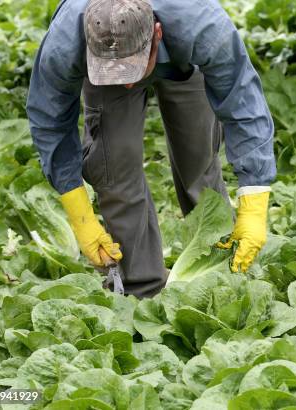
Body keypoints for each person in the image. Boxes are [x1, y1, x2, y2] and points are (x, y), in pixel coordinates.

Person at [26, 0, 276, 297]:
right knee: (112, 163)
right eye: (116, 72)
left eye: (131, 70)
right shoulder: (65, 41)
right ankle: (141, 287)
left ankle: (219, 271)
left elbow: (242, 102)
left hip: (183, 61)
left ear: (157, 33)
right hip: (103, 61)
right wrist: (80, 213)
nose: (127, 84)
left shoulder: (202, 26)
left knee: (198, 156)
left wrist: (255, 202)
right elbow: (49, 118)